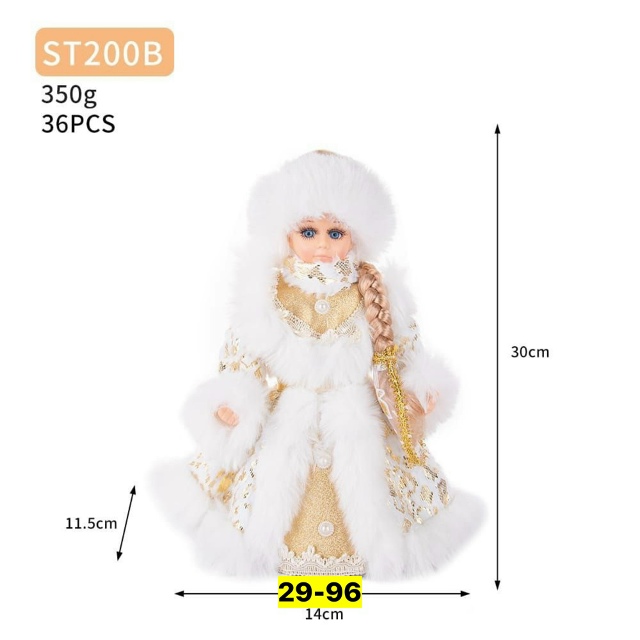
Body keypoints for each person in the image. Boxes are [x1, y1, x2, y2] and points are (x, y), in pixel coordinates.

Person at [154, 151, 482, 578]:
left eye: (335, 232)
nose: (323, 244)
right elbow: (240, 362)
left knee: (369, 484)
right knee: (277, 480)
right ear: (286, 236)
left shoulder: (376, 294)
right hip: (289, 420)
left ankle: (368, 554)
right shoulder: (266, 295)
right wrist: (235, 403)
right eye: (309, 231)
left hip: (359, 420)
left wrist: (421, 393)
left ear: (356, 236)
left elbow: (404, 357)